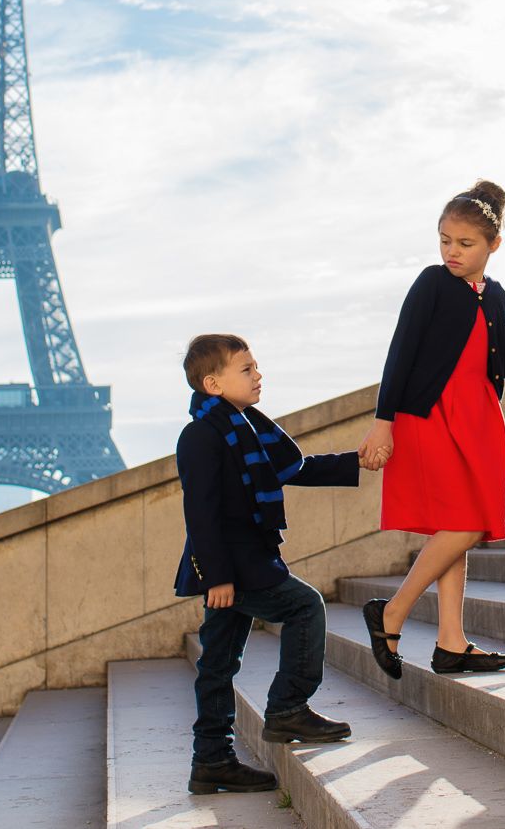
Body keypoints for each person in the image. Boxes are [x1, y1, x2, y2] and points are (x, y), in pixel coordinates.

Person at [357, 181, 505, 679]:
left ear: (493, 246)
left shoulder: (497, 296)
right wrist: (383, 424)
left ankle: (451, 642)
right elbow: (400, 351)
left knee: (458, 525)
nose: (452, 252)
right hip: (430, 416)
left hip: (480, 419)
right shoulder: (431, 283)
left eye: (465, 244)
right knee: (464, 522)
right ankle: (393, 612)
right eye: (445, 240)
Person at [175, 334, 377, 795]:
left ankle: (211, 760)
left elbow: (297, 468)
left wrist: (357, 462)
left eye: (256, 367)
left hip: (247, 559)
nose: (258, 375)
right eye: (246, 369)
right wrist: (219, 577)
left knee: (218, 663)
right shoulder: (202, 436)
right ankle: (288, 708)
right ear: (213, 383)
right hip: (235, 566)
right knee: (305, 608)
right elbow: (200, 514)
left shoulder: (245, 428)